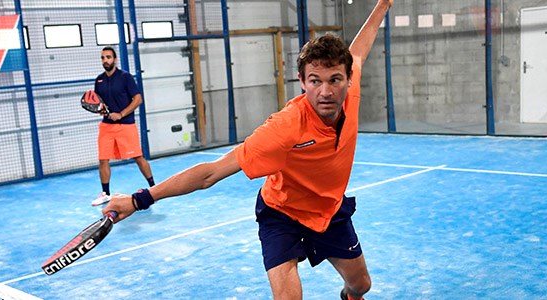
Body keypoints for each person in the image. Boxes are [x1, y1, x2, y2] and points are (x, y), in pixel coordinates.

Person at [102, 1, 393, 299]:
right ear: (302, 82)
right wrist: (139, 200)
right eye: (315, 81)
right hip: (283, 214)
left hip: (328, 210)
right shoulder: (284, 128)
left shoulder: (349, 92)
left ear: (349, 79)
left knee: (361, 285)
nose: (326, 91)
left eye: (335, 80)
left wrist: (383, 4)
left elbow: (361, 44)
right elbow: (210, 173)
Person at [92, 46, 155, 206]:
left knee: (138, 157)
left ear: (115, 59)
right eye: (103, 58)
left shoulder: (125, 77)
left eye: (108, 57)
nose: (105, 60)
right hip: (106, 126)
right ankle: (105, 193)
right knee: (103, 159)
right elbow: (99, 103)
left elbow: (137, 99)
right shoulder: (99, 80)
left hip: (126, 125)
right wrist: (102, 111)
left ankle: (154, 188)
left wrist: (120, 114)